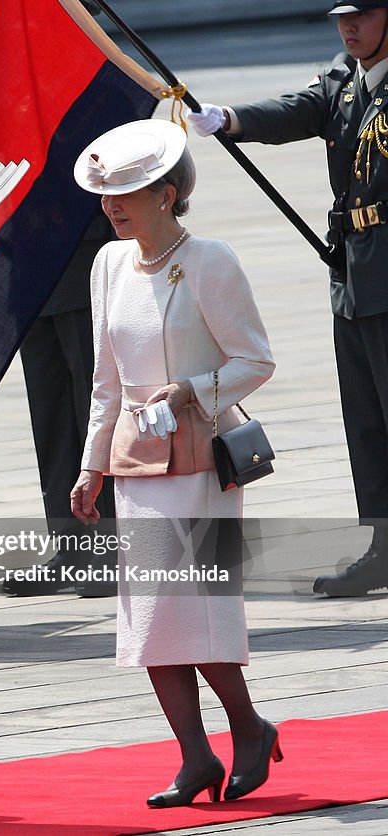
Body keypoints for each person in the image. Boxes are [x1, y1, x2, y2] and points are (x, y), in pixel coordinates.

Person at [69, 120, 280, 806]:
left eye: (128, 190)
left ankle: (246, 726)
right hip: (136, 463)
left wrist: (192, 391)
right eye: (107, 193)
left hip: (200, 461)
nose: (113, 203)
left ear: (168, 193)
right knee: (154, 619)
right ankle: (195, 758)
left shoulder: (211, 260)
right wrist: (90, 466)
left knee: (199, 611)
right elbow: (104, 379)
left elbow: (255, 359)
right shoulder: (107, 263)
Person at [188, 0, 388, 597]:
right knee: (368, 422)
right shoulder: (344, 80)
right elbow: (296, 110)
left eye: (365, 15)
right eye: (342, 18)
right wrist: (229, 118)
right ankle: (383, 546)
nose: (349, 28)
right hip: (355, 272)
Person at [3, 211, 119, 597]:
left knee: (96, 410)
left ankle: (112, 547)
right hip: (26, 255)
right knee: (50, 419)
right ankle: (71, 550)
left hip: (83, 248)